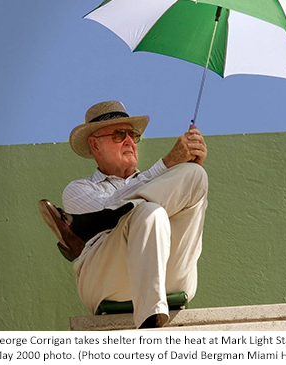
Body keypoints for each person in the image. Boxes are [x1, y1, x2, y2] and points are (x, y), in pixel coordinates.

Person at [39, 101, 208, 328]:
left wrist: (177, 170)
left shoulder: (160, 179)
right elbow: (110, 202)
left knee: (195, 173)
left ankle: (82, 228)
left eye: (132, 134)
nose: (129, 141)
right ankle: (150, 320)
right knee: (149, 211)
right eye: (119, 134)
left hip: (171, 276)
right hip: (107, 284)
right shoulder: (78, 189)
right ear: (95, 145)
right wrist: (166, 165)